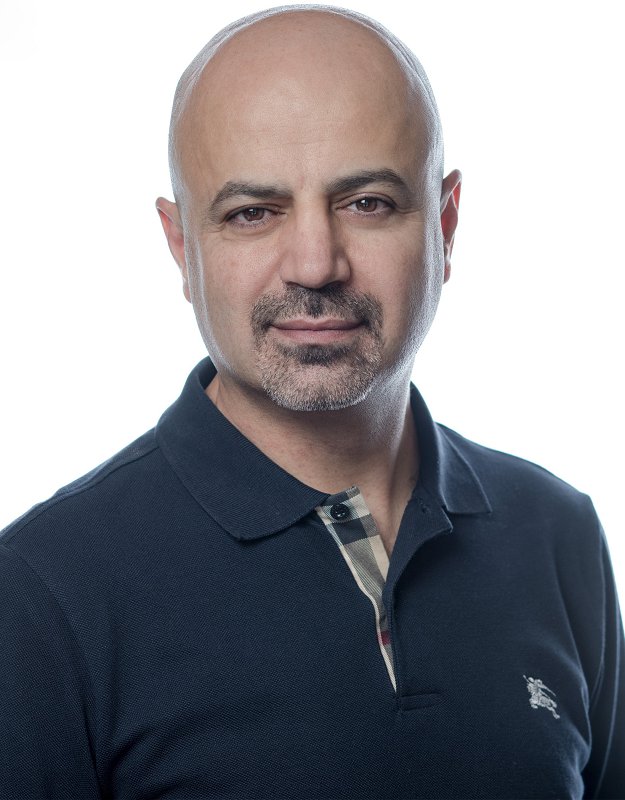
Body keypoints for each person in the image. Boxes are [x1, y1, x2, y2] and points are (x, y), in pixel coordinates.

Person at [0, 5, 622, 798]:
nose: (315, 264)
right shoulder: (42, 593)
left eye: (366, 202)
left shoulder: (557, 532)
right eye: (252, 213)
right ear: (182, 247)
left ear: (444, 224)